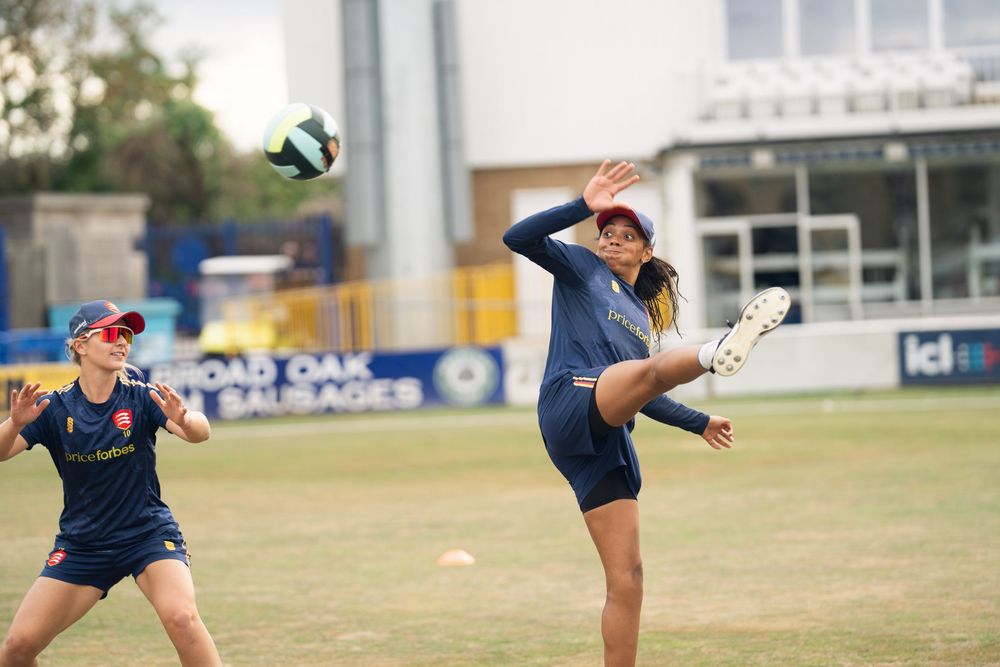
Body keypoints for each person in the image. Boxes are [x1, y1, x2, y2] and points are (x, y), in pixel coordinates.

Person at [503, 160, 790, 667]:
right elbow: (517, 237)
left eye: (626, 235)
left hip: (605, 440)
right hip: (570, 400)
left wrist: (699, 422)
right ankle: (714, 351)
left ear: (647, 250)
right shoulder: (579, 268)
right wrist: (579, 205)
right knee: (650, 370)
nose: (612, 240)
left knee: (628, 579)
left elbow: (645, 390)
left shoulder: (639, 316)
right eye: (606, 232)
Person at [0, 300, 222, 667]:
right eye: (110, 333)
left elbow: (200, 433)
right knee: (17, 647)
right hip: (84, 544)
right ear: (80, 345)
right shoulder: (54, 408)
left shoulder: (140, 396)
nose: (121, 342)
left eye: (127, 334)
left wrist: (184, 417)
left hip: (146, 535)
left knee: (182, 619)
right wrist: (16, 424)